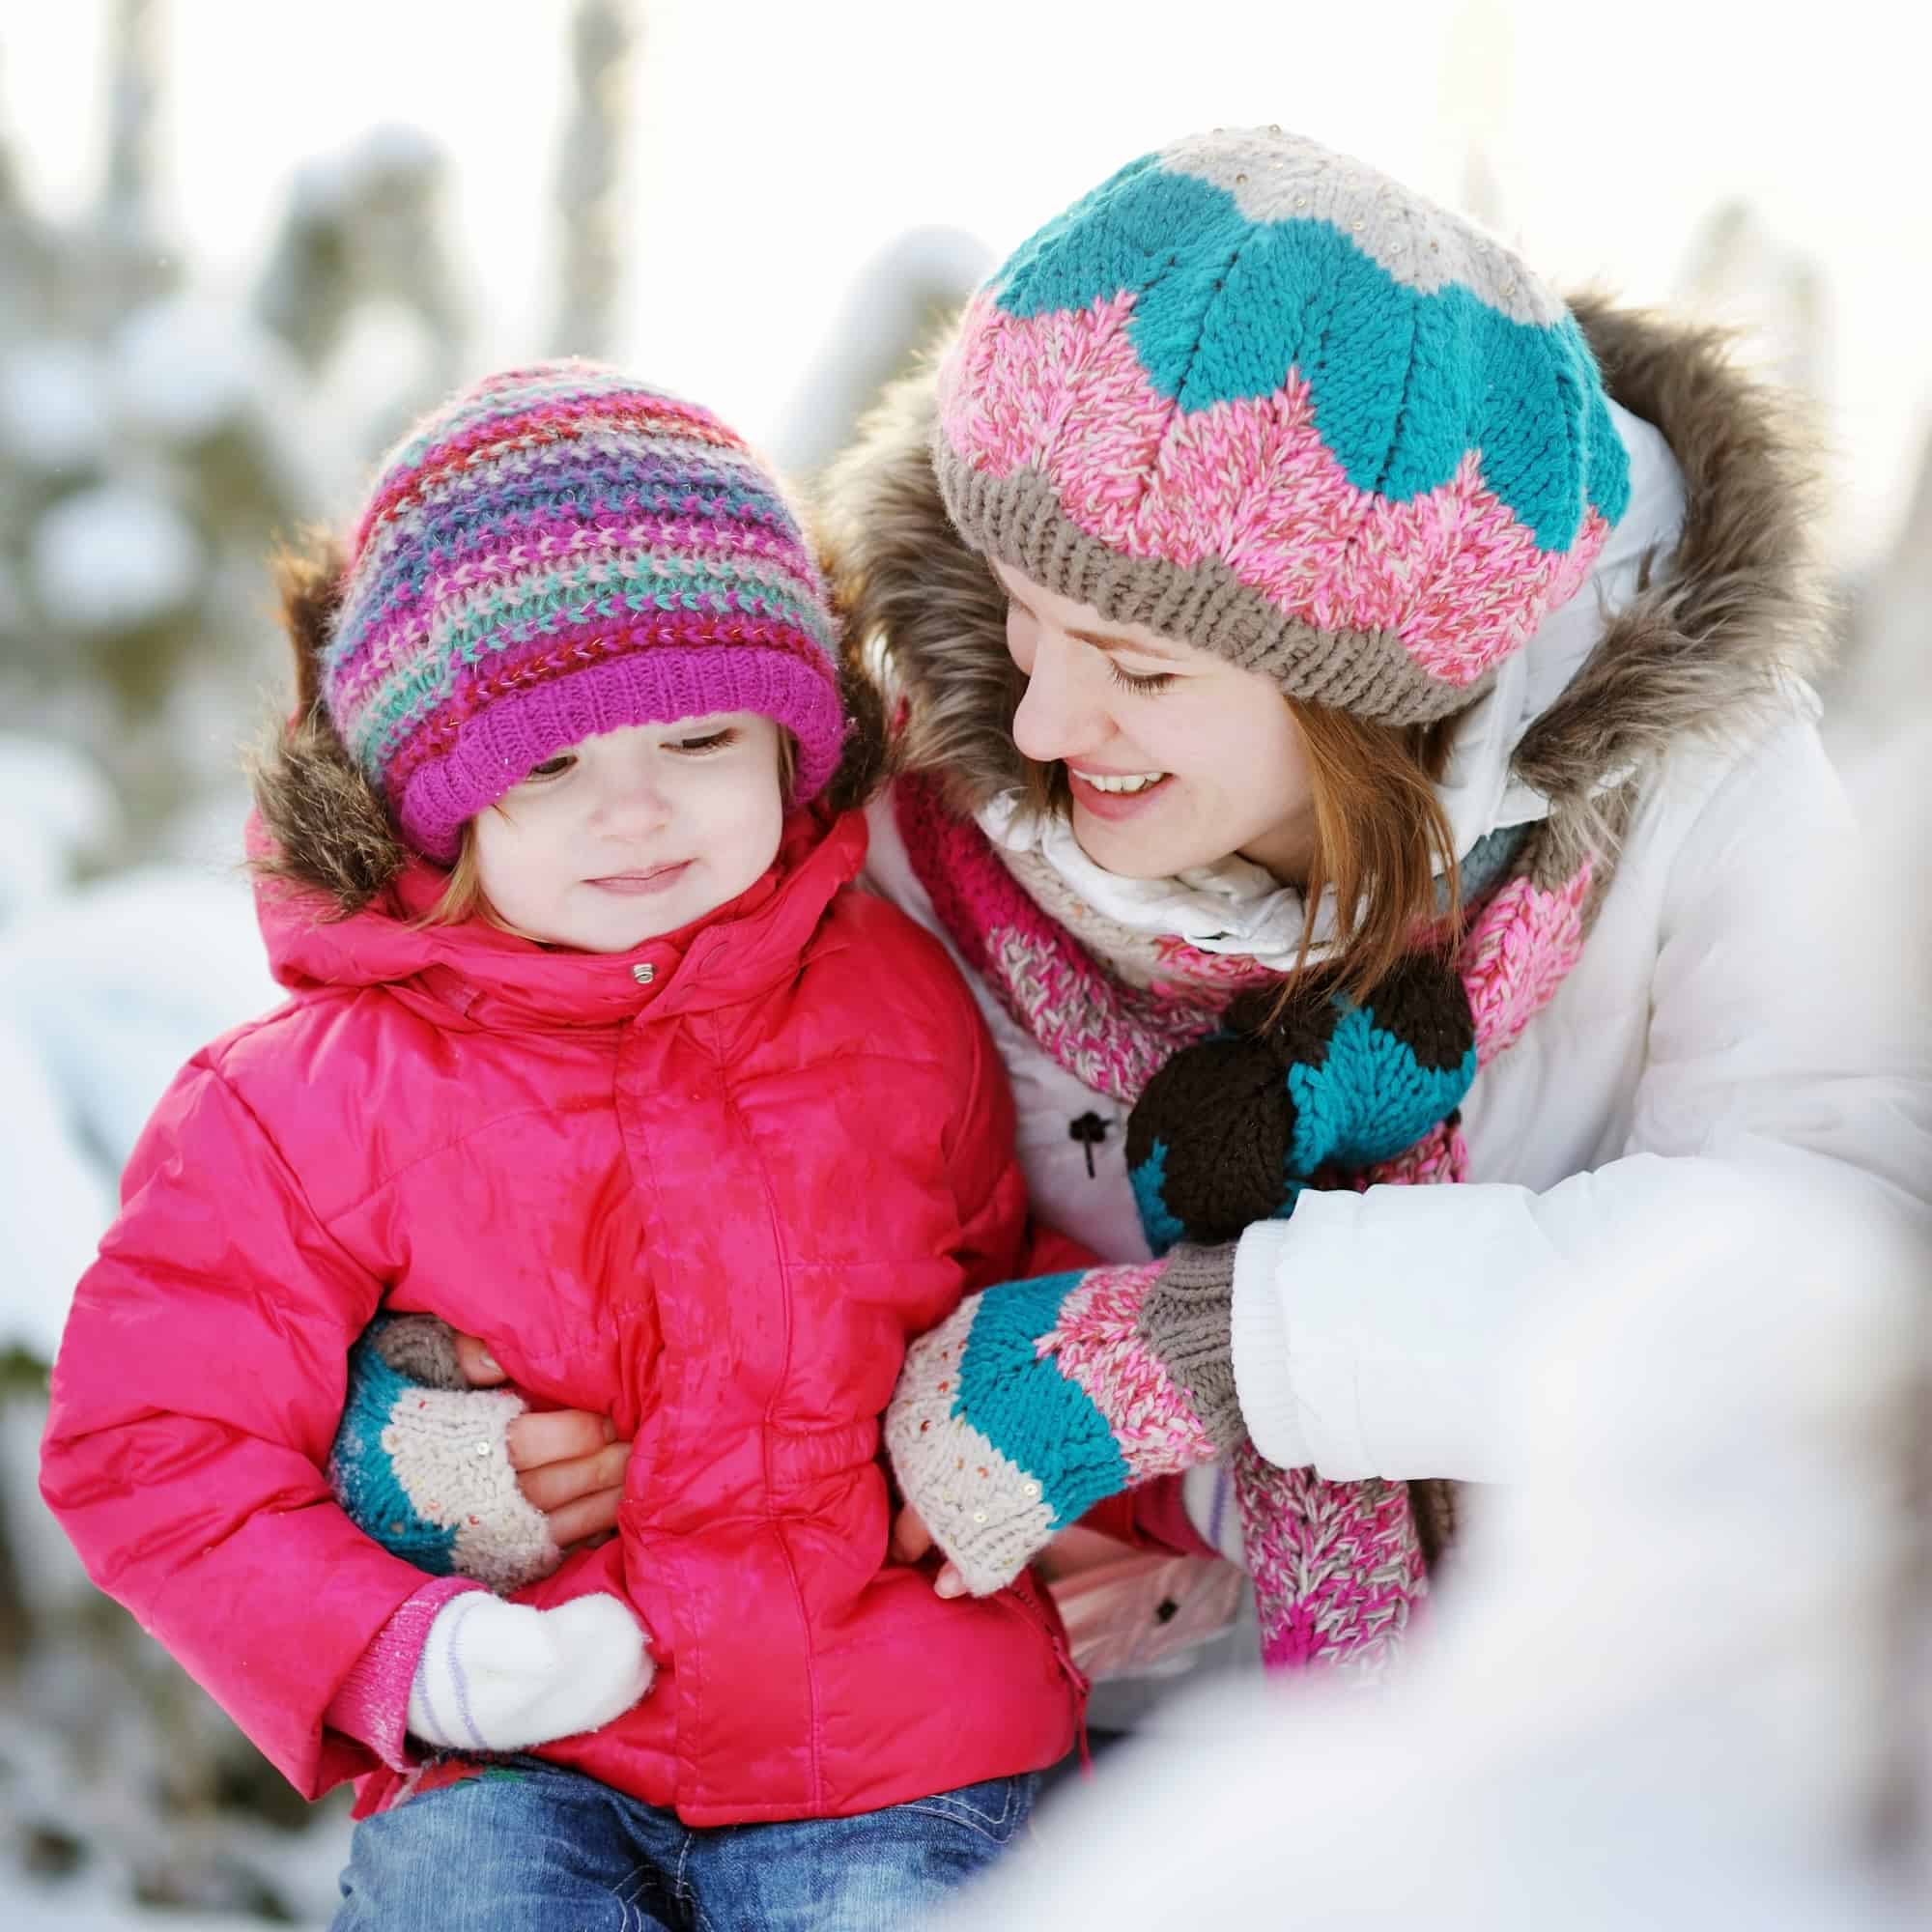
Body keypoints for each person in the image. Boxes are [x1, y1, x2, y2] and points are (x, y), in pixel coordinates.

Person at [334, 127, 1926, 1703]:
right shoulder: (916, 786)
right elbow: (536, 1101)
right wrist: (420, 1415)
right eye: (1026, 626)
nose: (1036, 723)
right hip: (1054, 1743)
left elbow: (1821, 1269)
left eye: (1143, 669)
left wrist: (1227, 1348)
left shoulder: (1694, 786)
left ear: (1366, 686)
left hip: (1605, 1714)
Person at [38, 362, 1086, 1931]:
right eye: (549, 764)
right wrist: (412, 1651)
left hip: (889, 1749)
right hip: (515, 1755)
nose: (636, 813)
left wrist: (1091, 1477)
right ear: (433, 804)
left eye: (698, 739)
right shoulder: (309, 1100)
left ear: (795, 737)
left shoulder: (890, 989)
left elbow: (1006, 1258)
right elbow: (151, 1444)